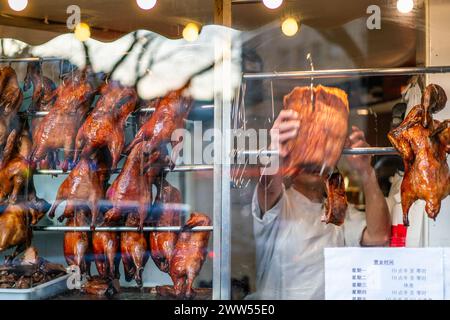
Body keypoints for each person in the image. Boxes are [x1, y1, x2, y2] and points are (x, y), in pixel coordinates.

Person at [251, 109, 391, 300]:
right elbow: (269, 187)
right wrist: (275, 151)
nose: (313, 162)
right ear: (290, 167)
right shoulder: (280, 204)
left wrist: (366, 171)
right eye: (305, 154)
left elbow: (379, 236)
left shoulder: (338, 213)